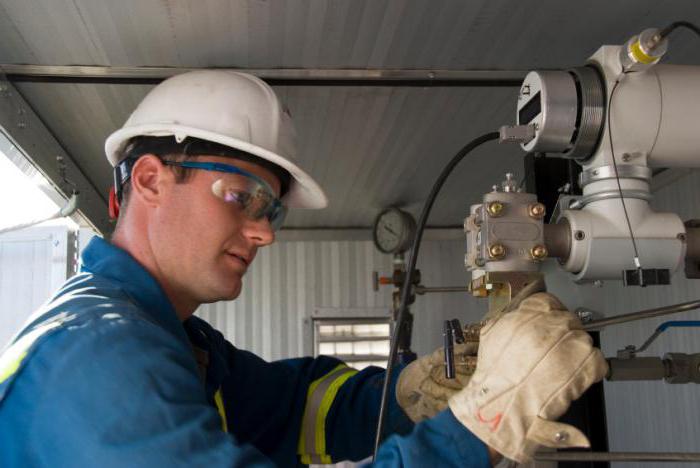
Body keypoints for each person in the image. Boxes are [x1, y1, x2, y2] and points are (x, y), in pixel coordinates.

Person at [0, 70, 606, 467]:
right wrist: (479, 426)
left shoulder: (168, 338)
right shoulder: (100, 357)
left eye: (273, 214)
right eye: (243, 198)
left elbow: (295, 409)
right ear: (152, 180)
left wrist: (408, 395)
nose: (263, 232)